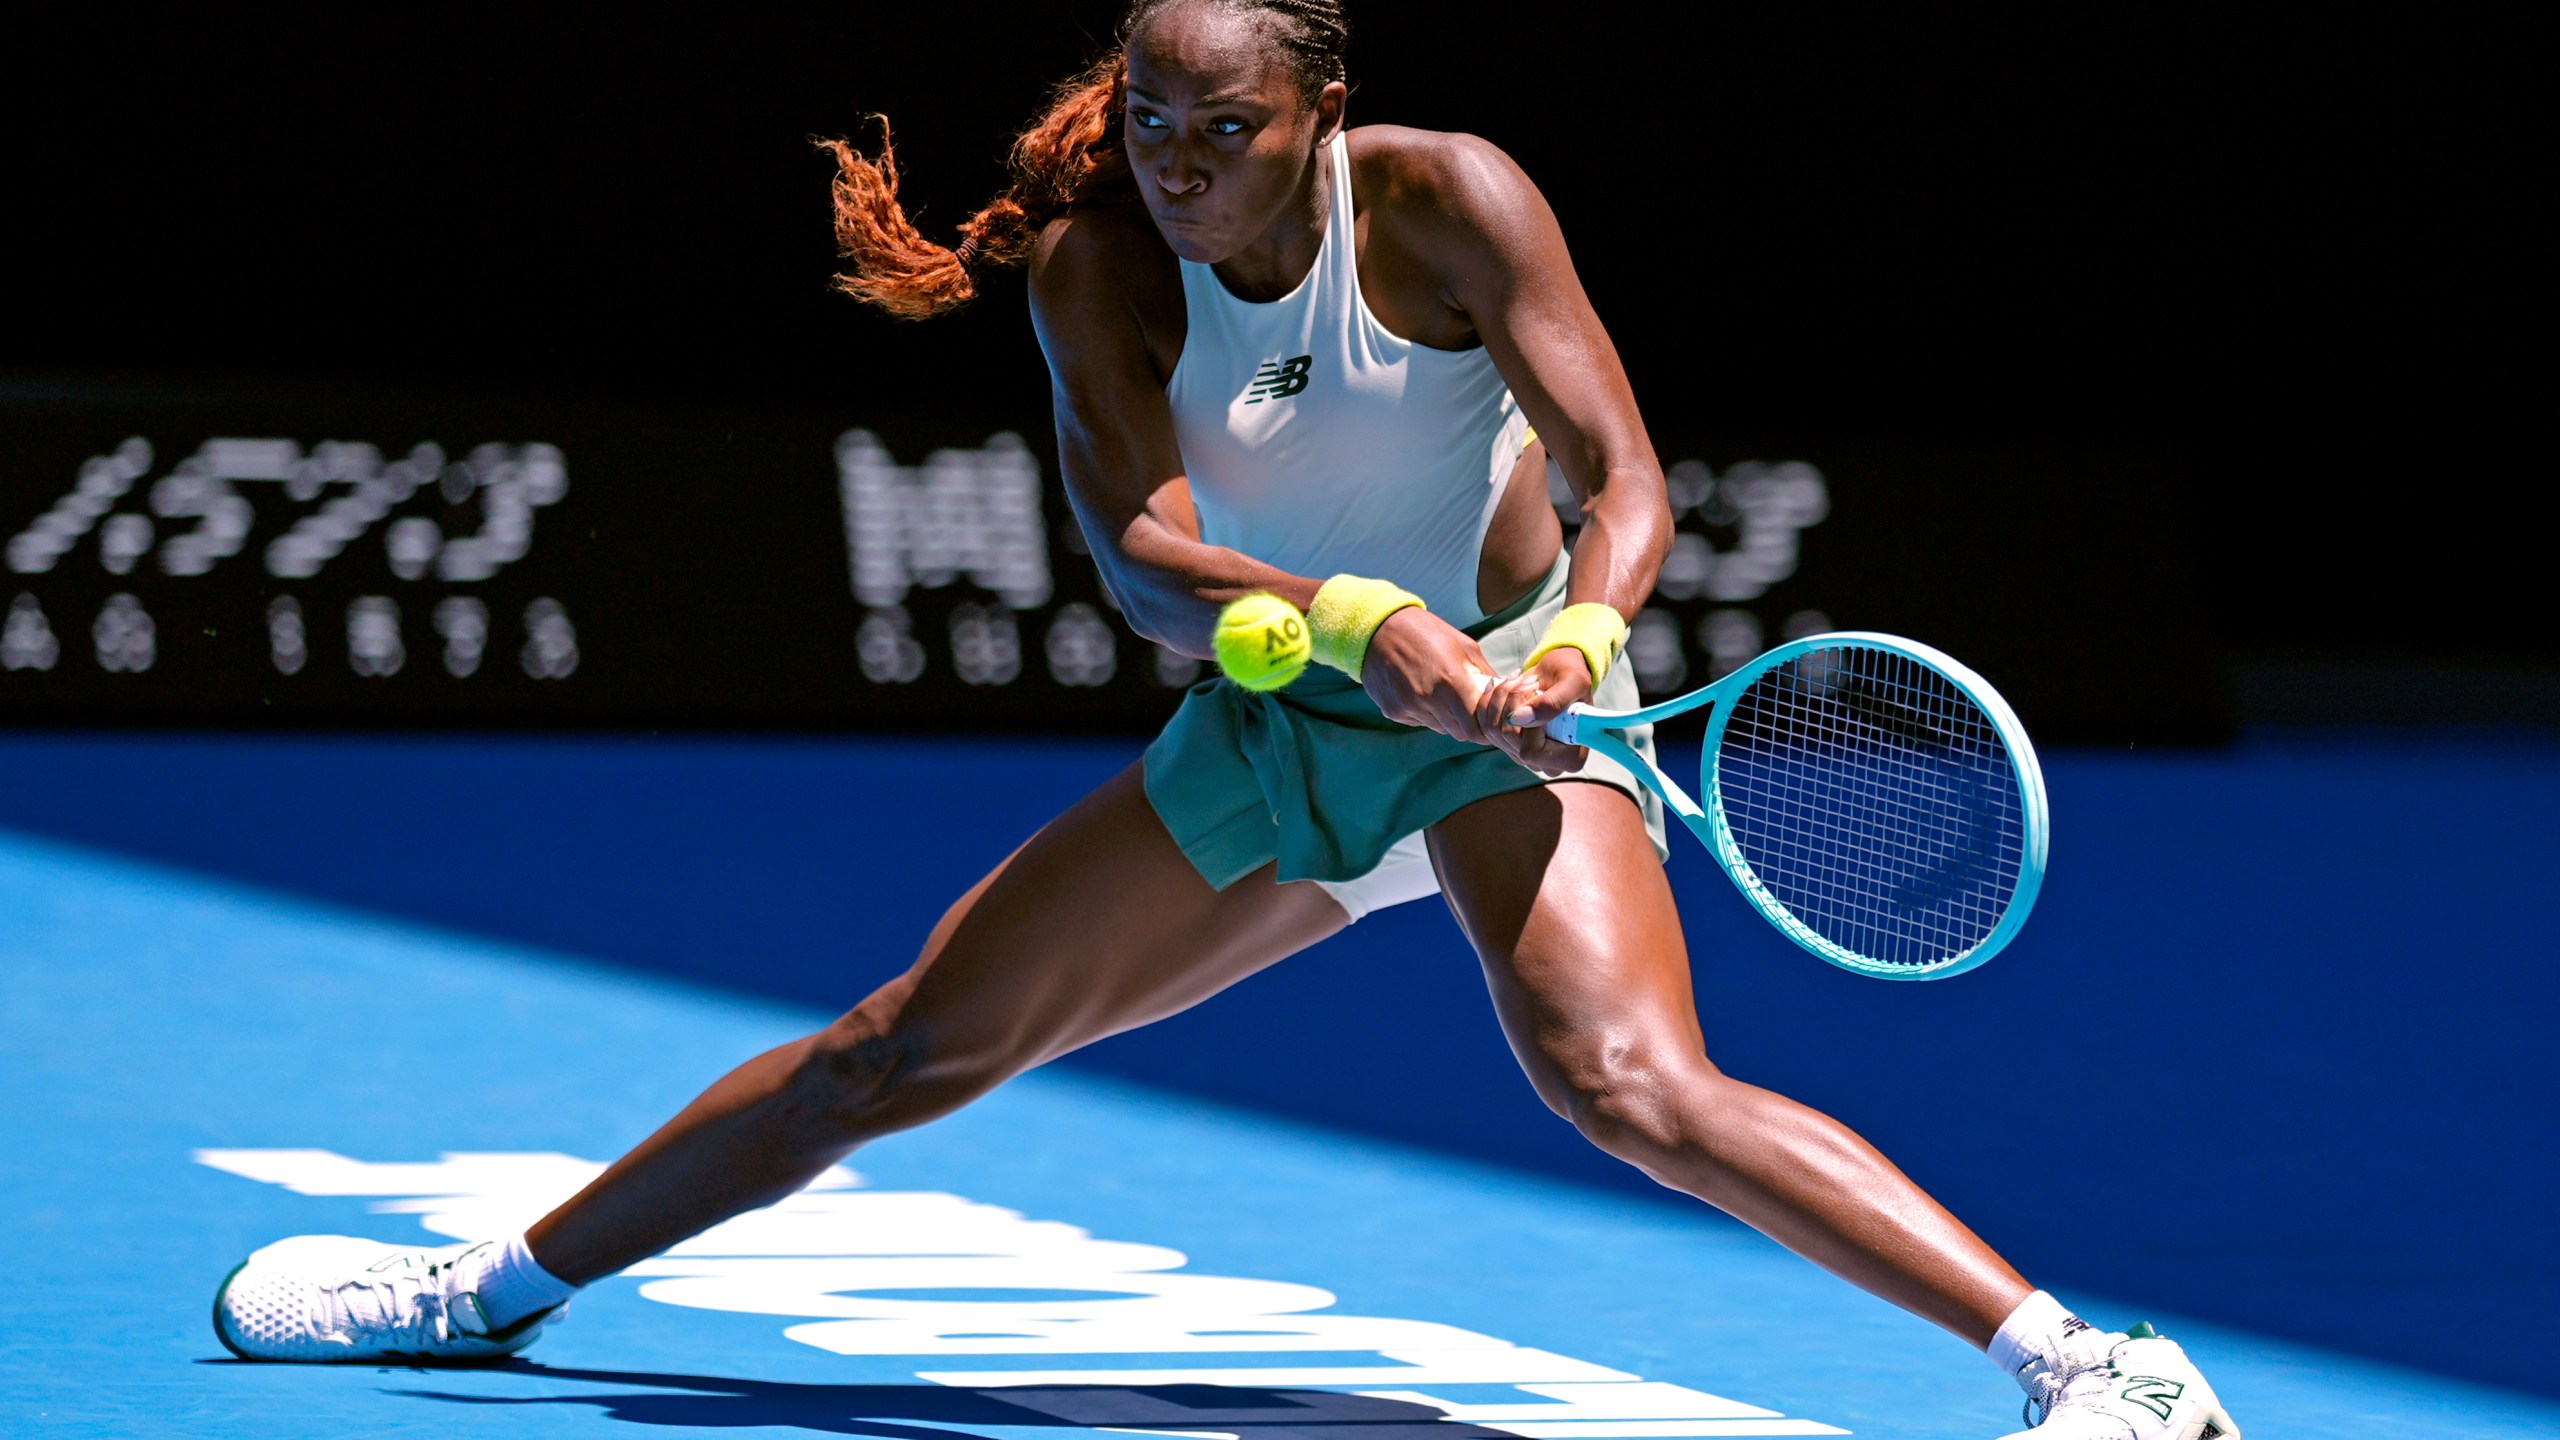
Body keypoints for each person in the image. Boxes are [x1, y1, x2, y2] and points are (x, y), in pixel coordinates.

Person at [210, 4, 2237, 1436]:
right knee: (899, 1050)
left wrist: (1554, 648)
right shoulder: (1098, 273)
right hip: (1294, 727)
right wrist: (1364, 626)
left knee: (1622, 1083)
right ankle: (482, 1297)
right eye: (1154, 128)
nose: (1179, 170)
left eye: (1223, 135)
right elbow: (1139, 550)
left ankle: (2095, 1371)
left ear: (1319, 109)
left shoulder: (1443, 201)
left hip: (1503, 713)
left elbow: (1625, 483)